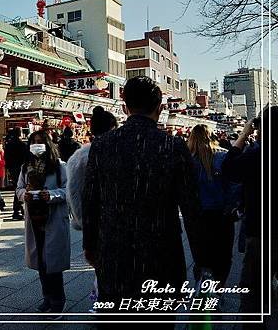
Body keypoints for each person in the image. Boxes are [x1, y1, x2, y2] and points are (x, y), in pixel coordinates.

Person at [82, 76, 205, 324]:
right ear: (159, 108)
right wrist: (201, 258)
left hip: (114, 257)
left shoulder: (102, 145)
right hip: (162, 258)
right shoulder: (173, 146)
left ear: (125, 107)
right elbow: (191, 208)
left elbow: (90, 201)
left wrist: (90, 245)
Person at [222, 106, 277, 322]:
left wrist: (243, 136)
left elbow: (229, 169)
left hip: (261, 231)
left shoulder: (258, 155)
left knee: (252, 290)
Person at [16, 130, 70, 318]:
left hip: (53, 218)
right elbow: (19, 189)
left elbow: (67, 190)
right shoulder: (26, 167)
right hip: (34, 219)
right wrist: (25, 195)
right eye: (33, 141)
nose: (37, 145)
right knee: (40, 262)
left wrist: (52, 195)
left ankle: (58, 300)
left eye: (40, 141)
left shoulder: (58, 166)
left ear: (48, 144)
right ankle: (47, 297)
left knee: (52, 264)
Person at [188, 124, 235, 286]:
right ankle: (219, 287)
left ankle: (202, 287)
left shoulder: (187, 160)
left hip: (198, 215)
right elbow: (234, 185)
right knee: (223, 254)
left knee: (201, 255)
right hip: (222, 214)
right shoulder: (223, 156)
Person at [67, 106, 117, 231]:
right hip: (118, 220)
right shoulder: (121, 151)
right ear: (114, 128)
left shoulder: (79, 157)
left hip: (92, 220)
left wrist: (82, 220)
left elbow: (74, 192)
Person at [4, 127, 28, 220]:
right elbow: (25, 157)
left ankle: (19, 210)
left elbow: (7, 158)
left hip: (12, 169)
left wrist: (8, 168)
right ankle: (18, 210)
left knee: (17, 188)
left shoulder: (9, 144)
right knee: (20, 188)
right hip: (21, 168)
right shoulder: (22, 145)